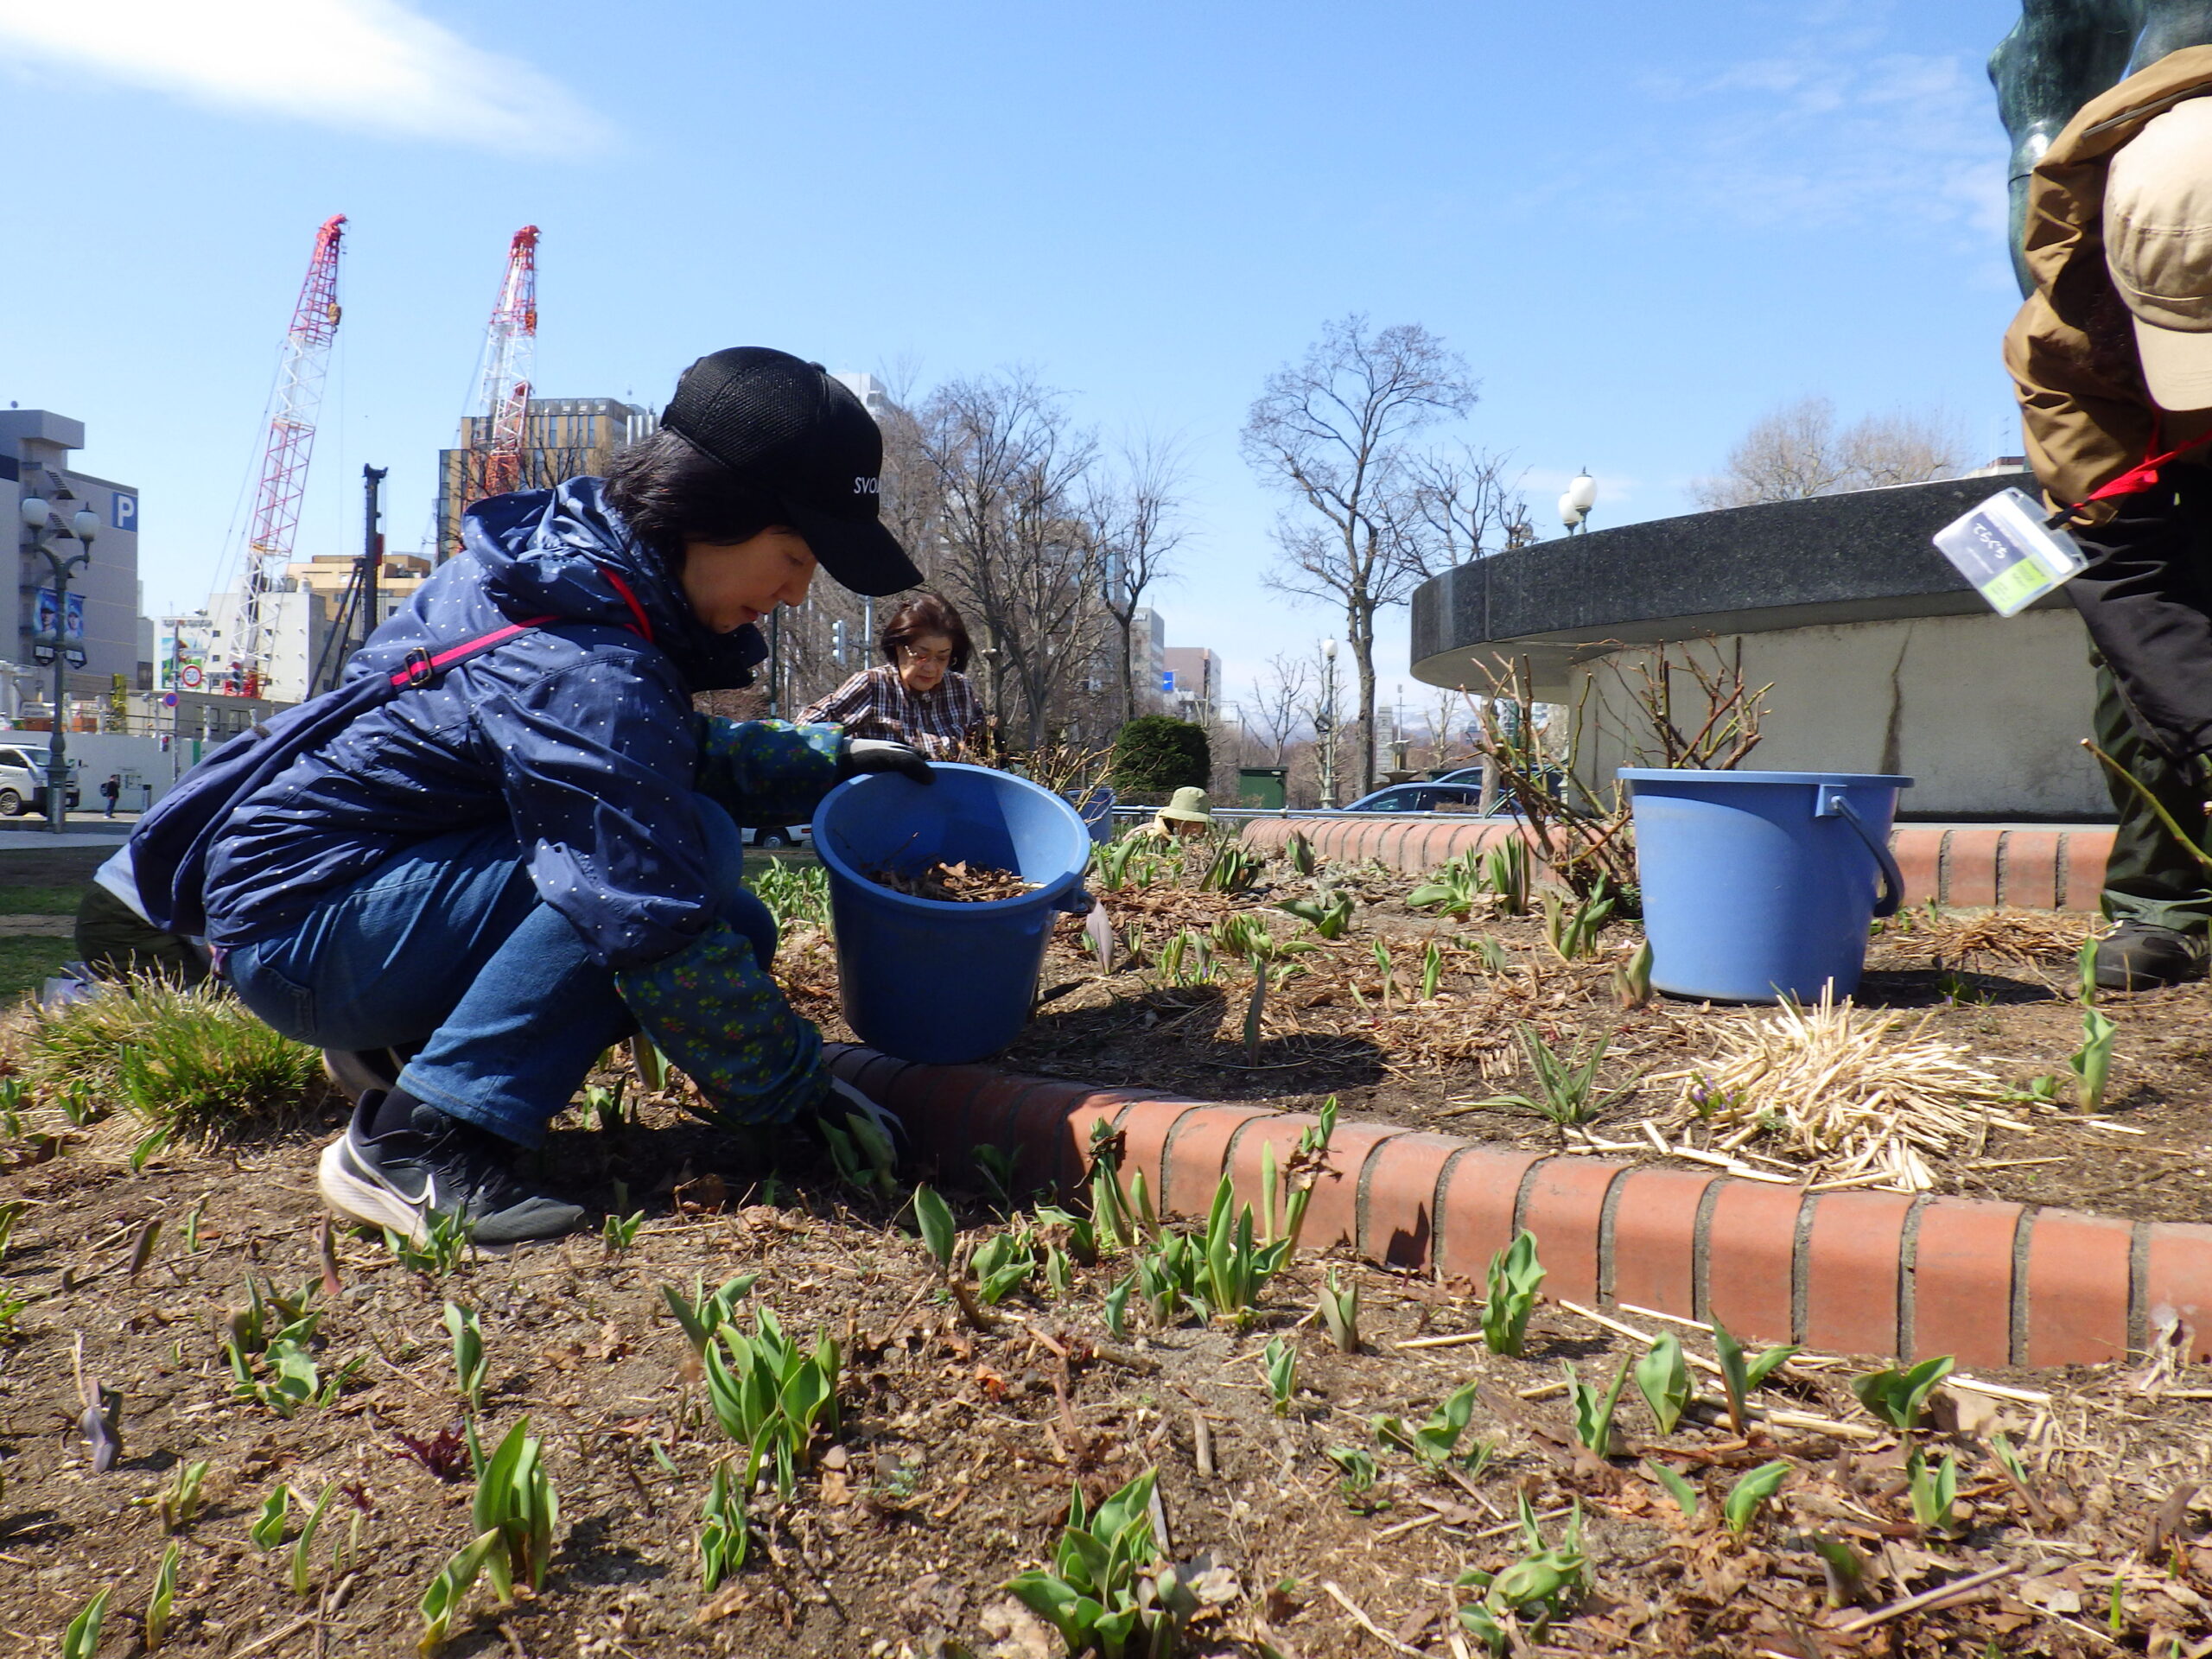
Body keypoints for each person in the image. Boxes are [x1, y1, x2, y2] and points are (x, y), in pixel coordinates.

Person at [143, 347, 932, 1243]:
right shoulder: (584, 656)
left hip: (332, 896)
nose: (795, 592)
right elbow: (638, 898)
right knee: (679, 869)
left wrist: (822, 758)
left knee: (735, 924)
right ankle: (418, 1143)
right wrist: (799, 1100)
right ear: (713, 512)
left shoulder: (570, 566)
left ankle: (401, 1050)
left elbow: (644, 755)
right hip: (308, 927)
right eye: (793, 555)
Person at [2003, 46, 2212, 988]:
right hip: (2174, 479)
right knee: (2136, 660)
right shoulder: (2063, 349)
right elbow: (2122, 567)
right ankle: (2165, 903)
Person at [798, 593, 985, 759]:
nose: (931, 667)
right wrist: (854, 755)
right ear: (898, 647)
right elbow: (803, 732)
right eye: (921, 655)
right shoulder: (872, 685)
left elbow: (984, 747)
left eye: (942, 657)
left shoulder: (960, 690)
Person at [1137, 785, 1212, 841]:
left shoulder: (1210, 843)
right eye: (1184, 823)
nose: (1190, 828)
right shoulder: (1146, 838)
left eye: (1197, 823)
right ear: (1172, 819)